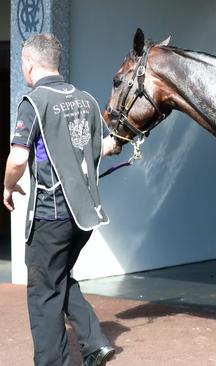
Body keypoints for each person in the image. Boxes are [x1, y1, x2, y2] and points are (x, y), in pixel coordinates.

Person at [3, 33, 120, 366]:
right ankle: (94, 341)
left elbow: (17, 159)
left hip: (50, 214)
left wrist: (7, 187)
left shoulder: (34, 101)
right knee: (59, 278)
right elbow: (106, 146)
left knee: (43, 292)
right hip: (83, 216)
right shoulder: (84, 100)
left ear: (28, 63)